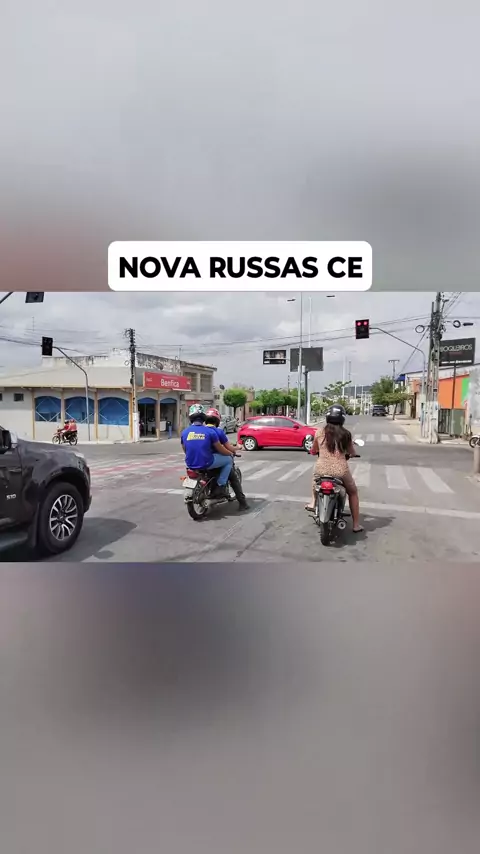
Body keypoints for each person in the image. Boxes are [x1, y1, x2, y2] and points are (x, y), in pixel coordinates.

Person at [305, 404, 363, 533]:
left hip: (321, 469)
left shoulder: (319, 432)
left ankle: (313, 502)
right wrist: (352, 454)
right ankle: (356, 525)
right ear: (342, 418)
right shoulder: (346, 434)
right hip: (340, 471)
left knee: (315, 480)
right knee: (353, 492)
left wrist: (314, 451)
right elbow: (351, 452)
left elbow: (314, 449)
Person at [180, 404, 234, 498]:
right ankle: (220, 485)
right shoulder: (210, 432)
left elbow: (185, 449)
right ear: (203, 418)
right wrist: (230, 453)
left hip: (190, 463)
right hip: (207, 462)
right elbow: (221, 450)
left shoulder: (184, 432)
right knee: (229, 460)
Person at [204, 408, 249, 510]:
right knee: (233, 478)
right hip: (215, 460)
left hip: (202, 460)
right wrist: (238, 447)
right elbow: (228, 447)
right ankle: (242, 503)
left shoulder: (202, 431)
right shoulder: (218, 431)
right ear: (217, 420)